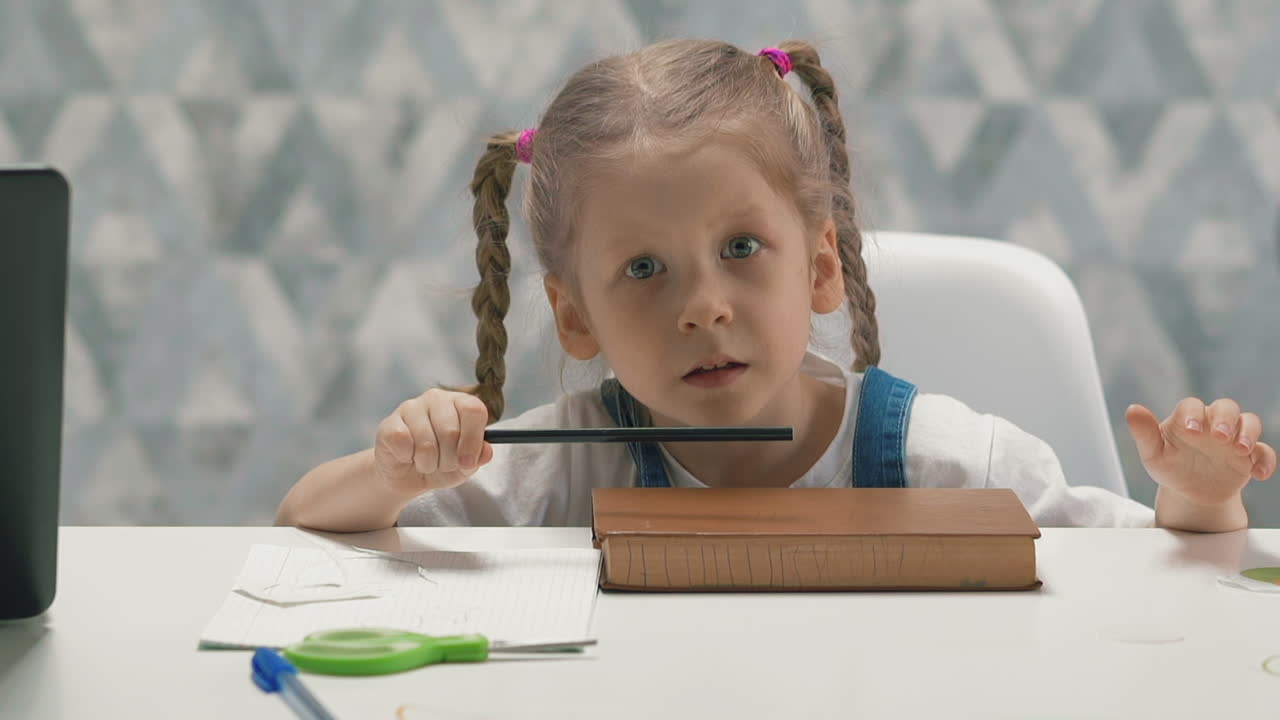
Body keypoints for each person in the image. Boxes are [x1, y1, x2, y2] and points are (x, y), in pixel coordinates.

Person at [275, 39, 1275, 534]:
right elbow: (304, 532)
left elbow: (1144, 574)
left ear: (825, 265)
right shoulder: (564, 469)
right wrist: (394, 475)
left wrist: (1195, 501)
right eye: (642, 270)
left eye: (742, 248)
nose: (703, 303)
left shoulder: (947, 463)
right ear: (573, 316)